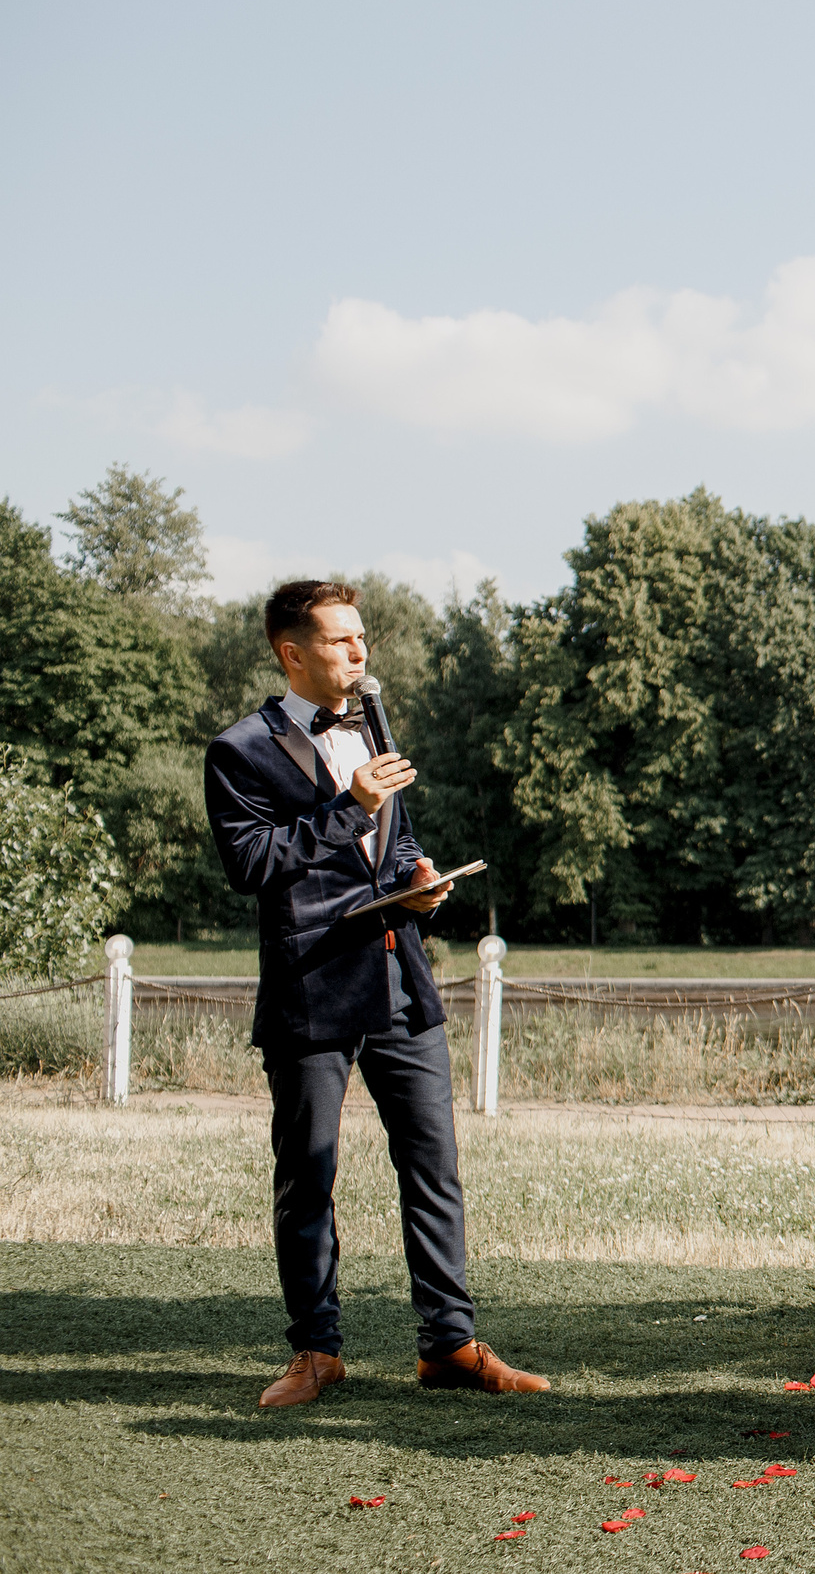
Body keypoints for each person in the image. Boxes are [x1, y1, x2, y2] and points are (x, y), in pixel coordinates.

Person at [203, 580, 548, 1408]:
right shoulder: (238, 749)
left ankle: (450, 1344)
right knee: (307, 1175)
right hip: (312, 989)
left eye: (363, 638)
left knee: (434, 1167)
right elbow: (252, 864)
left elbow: (394, 844)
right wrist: (347, 805)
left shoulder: (371, 728)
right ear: (293, 652)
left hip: (400, 976)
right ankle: (315, 1353)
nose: (360, 654)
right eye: (341, 641)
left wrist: (420, 880)